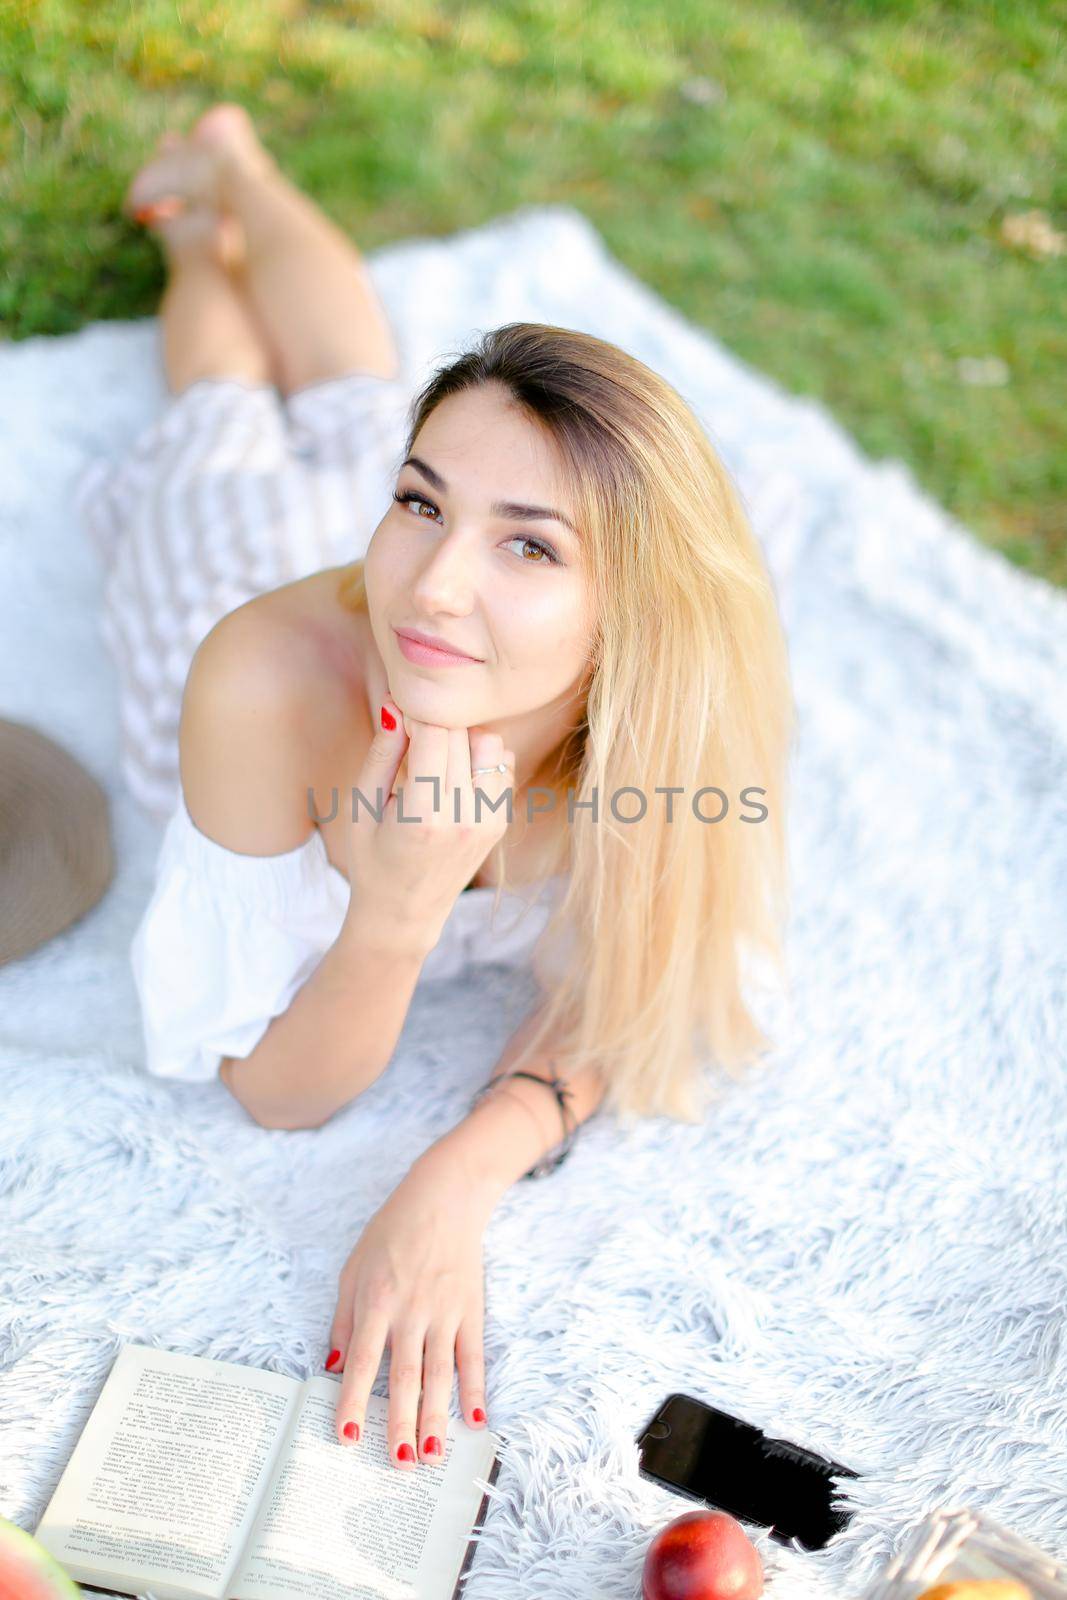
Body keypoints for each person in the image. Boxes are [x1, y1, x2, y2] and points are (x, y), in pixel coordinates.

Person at [75, 104, 797, 1475]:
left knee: (352, 389)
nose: (437, 579)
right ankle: (195, 228)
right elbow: (271, 1094)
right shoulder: (256, 681)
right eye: (421, 502)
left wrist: (460, 1172)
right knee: (224, 415)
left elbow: (650, 981)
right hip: (244, 612)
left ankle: (240, 158)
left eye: (528, 545)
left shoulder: (666, 711)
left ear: (626, 608)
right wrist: (394, 913)